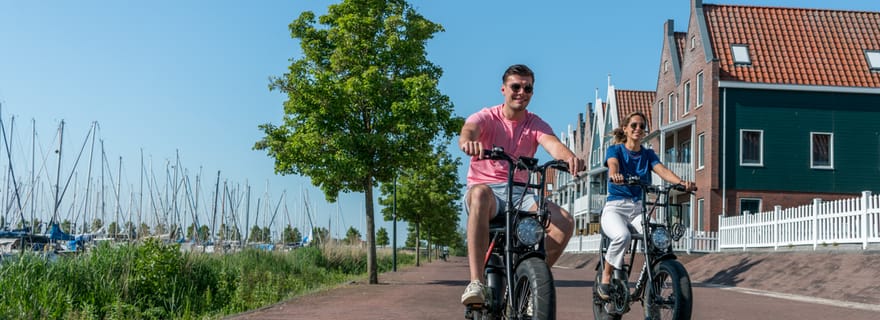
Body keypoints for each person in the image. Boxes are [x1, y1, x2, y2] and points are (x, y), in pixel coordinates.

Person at [458, 64, 585, 305]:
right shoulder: (487, 116)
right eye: (516, 87)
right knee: (479, 195)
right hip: (488, 191)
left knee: (565, 222)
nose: (521, 92)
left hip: (521, 193)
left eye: (528, 88)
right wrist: (468, 142)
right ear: (504, 89)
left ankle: (528, 278)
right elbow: (469, 130)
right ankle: (476, 282)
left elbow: (553, 144)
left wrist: (570, 158)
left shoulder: (535, 123)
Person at [596, 111, 696, 299]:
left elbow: (662, 171)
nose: (638, 129)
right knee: (622, 236)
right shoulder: (615, 150)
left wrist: (682, 183)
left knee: (657, 238)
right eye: (634, 125)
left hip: (637, 208)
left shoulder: (648, 154)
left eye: (642, 126)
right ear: (625, 129)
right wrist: (615, 175)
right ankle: (606, 276)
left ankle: (657, 283)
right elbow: (613, 165)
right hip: (615, 207)